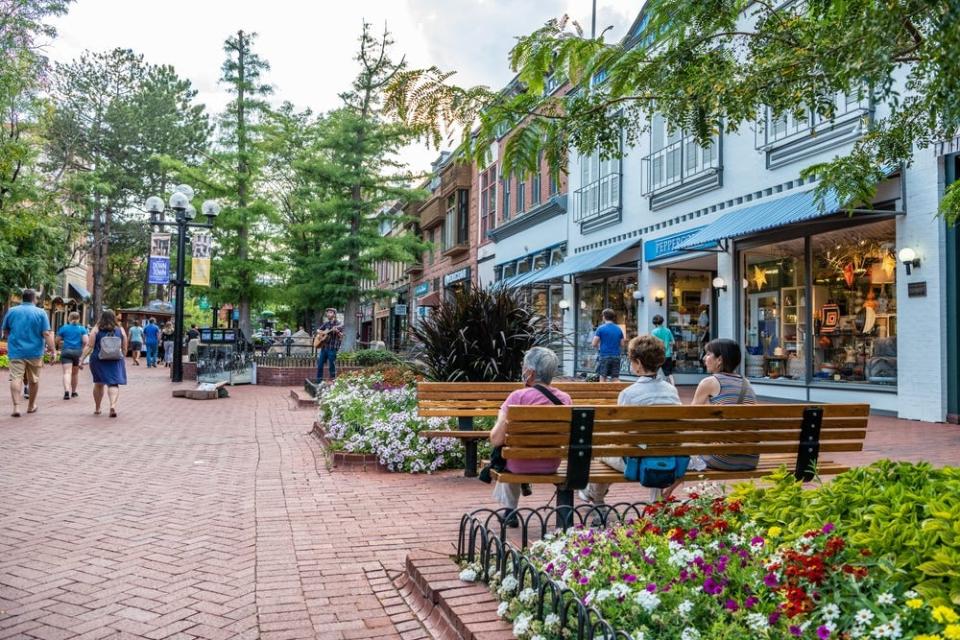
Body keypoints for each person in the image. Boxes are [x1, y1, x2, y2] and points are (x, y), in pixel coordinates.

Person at [580, 335, 682, 506]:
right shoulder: (671, 391)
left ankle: (595, 498)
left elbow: (621, 433)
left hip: (636, 462)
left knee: (602, 450)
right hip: (666, 456)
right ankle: (656, 502)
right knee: (654, 444)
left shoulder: (629, 393)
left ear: (639, 364)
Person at [489, 347, 572, 521]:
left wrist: (501, 416)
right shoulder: (565, 399)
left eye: (524, 367)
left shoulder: (517, 397)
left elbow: (496, 439)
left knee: (506, 455)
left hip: (518, 465)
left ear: (530, 372)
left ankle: (510, 510)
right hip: (551, 463)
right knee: (511, 452)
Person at [689, 338, 759, 471]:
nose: (704, 358)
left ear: (719, 360)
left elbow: (691, 418)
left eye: (708, 354)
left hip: (723, 459)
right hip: (751, 458)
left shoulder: (709, 382)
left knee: (683, 460)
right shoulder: (746, 383)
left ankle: (665, 492)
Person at [1, 289, 56, 417]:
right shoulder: (41, 313)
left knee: (16, 378)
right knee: (34, 380)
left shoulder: (12, 311)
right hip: (35, 352)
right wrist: (53, 350)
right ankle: (31, 406)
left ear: (22, 298)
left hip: (16, 351)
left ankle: (16, 407)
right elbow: (46, 333)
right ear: (34, 299)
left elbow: (5, 331)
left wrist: (13, 339)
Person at [82, 310, 127, 417]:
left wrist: (81, 358)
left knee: (99, 383)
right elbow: (124, 345)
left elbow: (89, 345)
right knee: (113, 383)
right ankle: (112, 406)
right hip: (115, 359)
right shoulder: (120, 329)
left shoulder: (96, 329)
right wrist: (123, 356)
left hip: (99, 359)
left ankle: (97, 408)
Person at [57, 311, 89, 400]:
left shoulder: (64, 328)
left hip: (66, 351)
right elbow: (86, 341)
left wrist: (61, 344)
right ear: (79, 319)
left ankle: (66, 391)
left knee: (67, 372)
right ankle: (74, 392)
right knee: (75, 374)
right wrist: (82, 349)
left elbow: (57, 340)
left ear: (69, 318)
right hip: (77, 352)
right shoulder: (82, 329)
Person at [591, 308, 625, 382]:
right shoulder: (618, 329)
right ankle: (618, 392)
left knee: (603, 377)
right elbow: (622, 344)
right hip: (616, 356)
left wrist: (599, 347)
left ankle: (602, 393)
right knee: (615, 378)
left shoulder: (600, 328)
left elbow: (594, 344)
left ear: (604, 317)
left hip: (604, 356)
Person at [314, 308, 343, 382]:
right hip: (324, 347)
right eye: (327, 313)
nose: (328, 314)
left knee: (331, 366)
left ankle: (332, 381)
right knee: (320, 365)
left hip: (332, 348)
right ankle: (318, 381)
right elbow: (318, 330)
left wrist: (337, 332)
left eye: (330, 313)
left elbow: (341, 336)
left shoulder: (339, 324)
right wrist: (322, 333)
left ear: (334, 314)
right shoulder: (326, 323)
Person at [650, 314, 676, 385]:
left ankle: (653, 386)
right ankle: (673, 386)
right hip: (667, 355)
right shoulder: (668, 331)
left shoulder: (654, 332)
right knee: (669, 373)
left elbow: (653, 344)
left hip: (657, 355)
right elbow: (673, 342)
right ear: (662, 321)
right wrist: (667, 343)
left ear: (654, 323)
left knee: (653, 372)